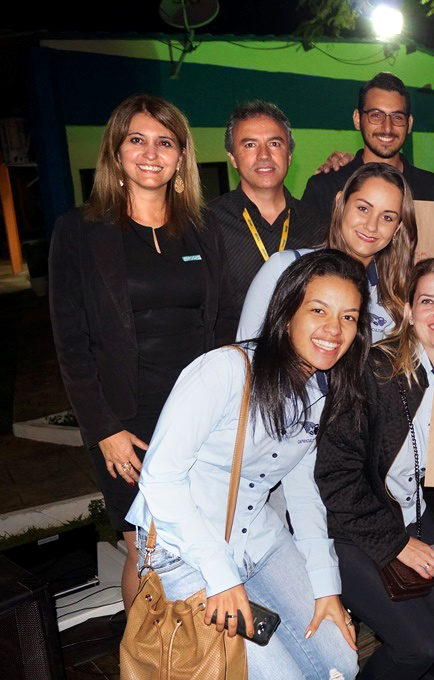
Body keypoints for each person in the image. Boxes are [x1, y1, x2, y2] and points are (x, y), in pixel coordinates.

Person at [125, 249, 366, 679]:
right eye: (318, 310)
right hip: (185, 551)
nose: (334, 329)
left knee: (340, 663)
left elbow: (305, 492)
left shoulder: (321, 391)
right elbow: (159, 478)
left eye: (348, 317)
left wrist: (326, 586)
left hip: (258, 541)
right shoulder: (225, 370)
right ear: (287, 313)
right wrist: (221, 575)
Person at [49, 94, 235, 608]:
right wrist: (104, 430)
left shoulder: (204, 228)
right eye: (137, 140)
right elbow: (70, 343)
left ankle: (198, 646)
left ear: (181, 156)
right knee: (146, 549)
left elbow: (221, 320)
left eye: (165, 142)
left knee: (202, 540)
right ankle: (145, 650)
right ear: (116, 151)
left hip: (198, 413)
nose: (151, 153)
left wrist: (225, 409)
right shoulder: (79, 231)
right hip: (126, 421)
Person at [315, 257, 434, 679]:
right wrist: (396, 544)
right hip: (350, 526)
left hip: (414, 518)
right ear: (408, 311)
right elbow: (336, 477)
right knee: (417, 647)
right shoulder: (373, 370)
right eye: (428, 301)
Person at [237, 162, 416, 343]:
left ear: (397, 228)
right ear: (340, 202)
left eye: (387, 217)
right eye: (363, 209)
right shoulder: (284, 267)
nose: (371, 226)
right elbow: (245, 353)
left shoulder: (394, 298)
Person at [304, 71, 434, 252]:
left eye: (397, 117)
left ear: (409, 124)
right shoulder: (324, 187)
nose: (387, 128)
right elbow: (311, 260)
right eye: (376, 115)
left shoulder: (433, 189)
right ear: (357, 119)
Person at [207, 100, 323, 312]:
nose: (264, 155)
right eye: (250, 145)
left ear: (289, 156)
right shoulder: (207, 223)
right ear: (233, 158)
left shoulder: (319, 225)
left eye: (274, 144)